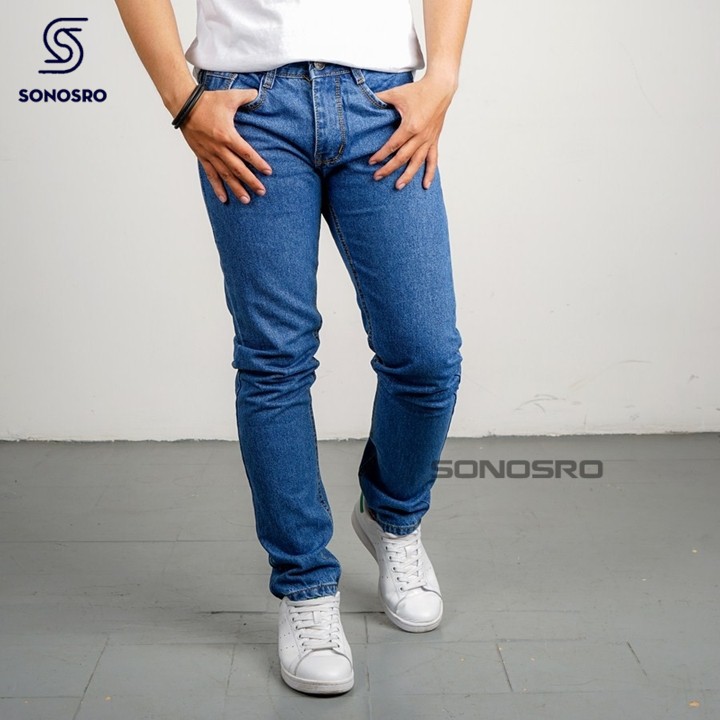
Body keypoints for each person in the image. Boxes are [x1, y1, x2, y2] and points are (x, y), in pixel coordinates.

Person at [114, 0, 472, 696]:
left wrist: (444, 76)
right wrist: (183, 101)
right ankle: (306, 588)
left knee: (427, 354)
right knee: (275, 359)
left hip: (382, 100)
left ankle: (392, 517)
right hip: (250, 104)